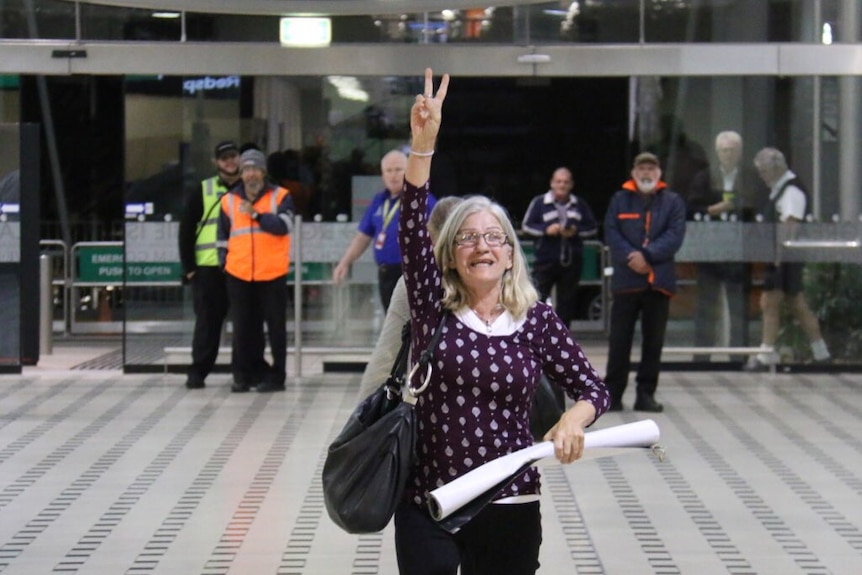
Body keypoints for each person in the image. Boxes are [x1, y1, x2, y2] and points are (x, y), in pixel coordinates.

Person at [394, 67, 609, 575]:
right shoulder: (432, 308)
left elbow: (592, 389)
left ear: (511, 256)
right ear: (449, 257)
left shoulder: (536, 320)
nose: (482, 246)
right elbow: (410, 229)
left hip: (511, 502)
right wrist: (422, 148)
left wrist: (573, 421)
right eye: (467, 238)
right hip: (432, 501)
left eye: (494, 238)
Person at [357, 196, 463, 400]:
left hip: (425, 412)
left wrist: (361, 423)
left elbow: (384, 361)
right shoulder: (498, 283)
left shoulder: (413, 284)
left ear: (430, 235)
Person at [604, 152, 687, 413]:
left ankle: (645, 394)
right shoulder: (619, 200)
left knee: (653, 342)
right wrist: (632, 257)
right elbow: (611, 232)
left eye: (651, 167)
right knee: (619, 341)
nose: (647, 172)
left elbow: (675, 235)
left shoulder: (672, 201)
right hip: (626, 282)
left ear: (659, 172)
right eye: (642, 168)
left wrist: (647, 255)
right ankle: (613, 395)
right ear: (634, 172)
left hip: (658, 283)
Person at [745, 147, 830, 370]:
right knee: (796, 304)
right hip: (781, 256)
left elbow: (789, 226)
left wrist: (778, 258)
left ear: (776, 169)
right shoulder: (779, 188)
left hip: (783, 257)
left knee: (770, 302)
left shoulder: (791, 191)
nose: (761, 176)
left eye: (763, 171)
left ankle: (766, 354)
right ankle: (821, 353)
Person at [217, 148, 295, 393]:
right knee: (242, 328)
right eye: (246, 169)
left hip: (272, 274)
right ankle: (243, 375)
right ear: (241, 173)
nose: (251, 174)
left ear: (263, 172)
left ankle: (277, 376)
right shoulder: (229, 200)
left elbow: (283, 226)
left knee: (276, 328)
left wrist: (257, 215)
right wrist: (224, 264)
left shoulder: (281, 196)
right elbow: (222, 237)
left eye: (255, 169)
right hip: (239, 274)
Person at [687, 131, 762, 362]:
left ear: (740, 153)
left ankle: (738, 356)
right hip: (710, 249)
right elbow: (690, 209)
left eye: (732, 150)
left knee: (739, 304)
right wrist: (711, 210)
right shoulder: (704, 178)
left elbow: (758, 206)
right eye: (724, 150)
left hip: (738, 250)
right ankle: (702, 356)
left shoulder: (750, 177)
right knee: (706, 304)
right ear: (717, 153)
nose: (728, 155)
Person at [332, 149, 437, 312]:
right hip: (386, 273)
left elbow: (439, 235)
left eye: (398, 170)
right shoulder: (379, 200)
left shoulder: (422, 199)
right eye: (388, 171)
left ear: (409, 171)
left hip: (414, 274)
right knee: (392, 324)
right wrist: (345, 262)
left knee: (413, 325)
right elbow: (363, 236)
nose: (393, 175)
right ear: (383, 175)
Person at [178, 141, 240, 389]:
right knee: (207, 324)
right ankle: (198, 371)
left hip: (239, 267)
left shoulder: (248, 189)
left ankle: (242, 373)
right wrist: (189, 267)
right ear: (216, 162)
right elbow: (186, 229)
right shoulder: (203, 190)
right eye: (224, 158)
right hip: (208, 269)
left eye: (233, 156)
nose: (229, 162)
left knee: (245, 325)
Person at [521, 167, 598, 331]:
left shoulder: (579, 204)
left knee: (567, 302)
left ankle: (561, 338)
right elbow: (526, 226)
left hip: (571, 262)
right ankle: (534, 334)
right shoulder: (540, 202)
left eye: (565, 182)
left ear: (571, 184)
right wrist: (546, 230)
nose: (562, 185)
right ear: (552, 183)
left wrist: (575, 231)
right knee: (537, 299)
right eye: (558, 181)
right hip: (545, 260)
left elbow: (592, 228)